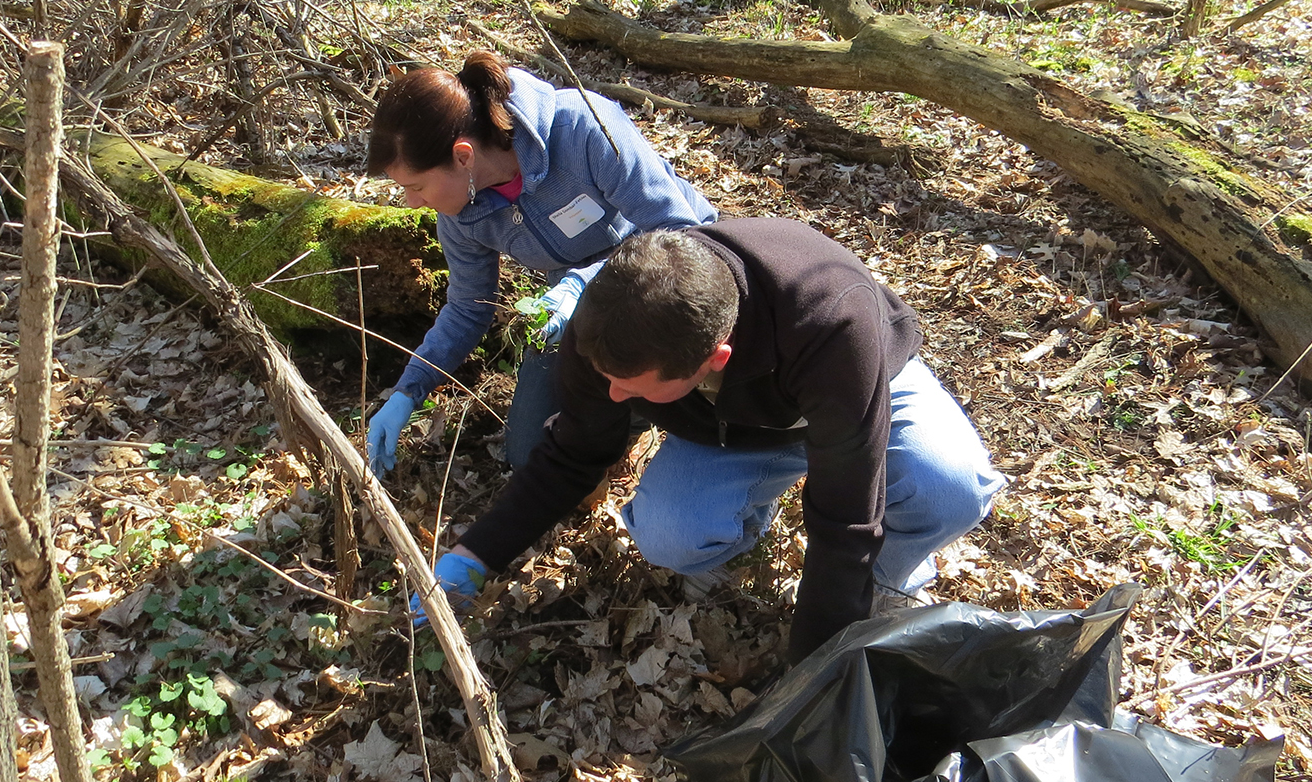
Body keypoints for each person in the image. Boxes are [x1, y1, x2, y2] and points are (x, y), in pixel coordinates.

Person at [413, 219, 1008, 661]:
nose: (615, 397)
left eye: (631, 388)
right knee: (670, 533)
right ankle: (745, 531)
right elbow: (575, 450)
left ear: (711, 359)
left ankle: (889, 578)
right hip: (730, 429)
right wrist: (476, 553)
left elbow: (845, 515)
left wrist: (813, 667)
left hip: (856, 396)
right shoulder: (609, 326)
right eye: (610, 381)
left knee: (951, 488)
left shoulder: (830, 324)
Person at [364, 52, 716, 478]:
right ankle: (623, 403)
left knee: (649, 387)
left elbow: (679, 228)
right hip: (574, 304)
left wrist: (580, 286)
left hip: (669, 271)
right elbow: (468, 307)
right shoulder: (461, 215)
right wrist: (408, 390)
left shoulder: (581, 129)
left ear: (462, 157)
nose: (412, 201)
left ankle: (652, 410)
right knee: (533, 451)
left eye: (416, 186)